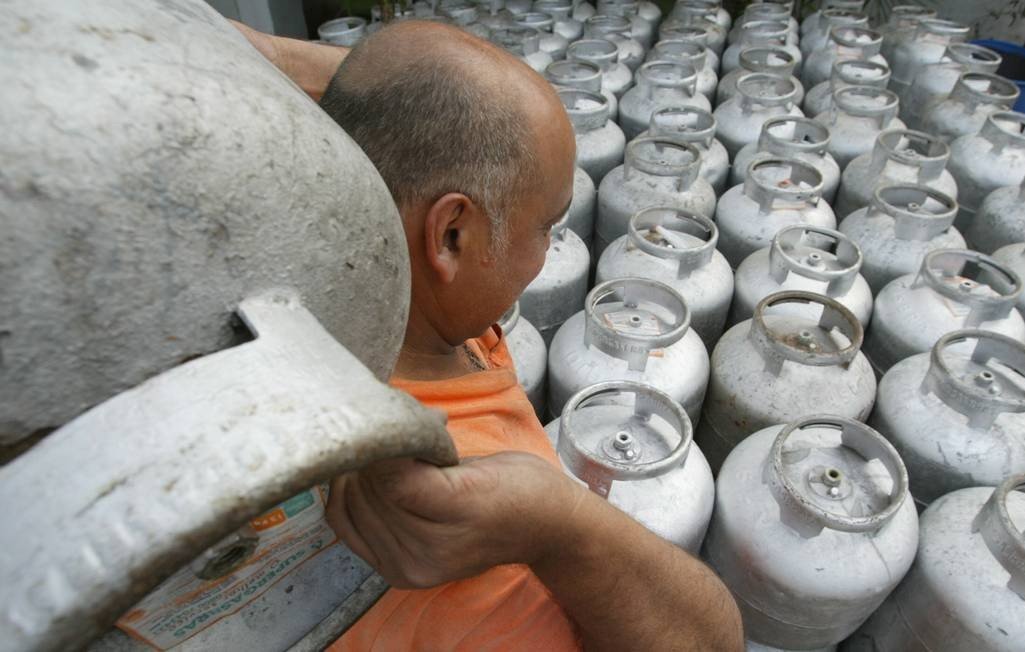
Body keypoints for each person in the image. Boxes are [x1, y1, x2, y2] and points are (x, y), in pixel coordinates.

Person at [232, 20, 743, 651]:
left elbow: (400, 96)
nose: (545, 257)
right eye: (546, 229)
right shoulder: (459, 535)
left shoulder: (355, 289)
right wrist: (561, 526)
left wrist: (277, 55)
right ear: (451, 235)